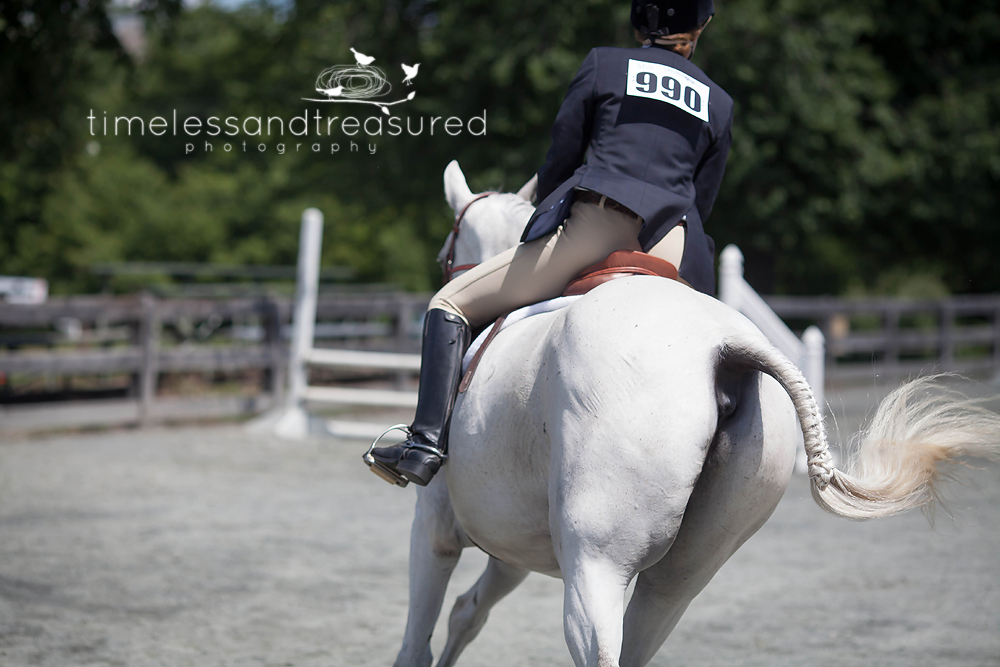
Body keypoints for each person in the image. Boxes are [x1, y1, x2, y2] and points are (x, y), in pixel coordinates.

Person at [367, 0, 733, 487]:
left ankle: (424, 446)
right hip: (673, 242)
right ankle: (725, 413)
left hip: (600, 224)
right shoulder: (718, 101)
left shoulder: (605, 63)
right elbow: (704, 198)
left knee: (449, 303)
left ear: (638, 22)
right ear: (701, 26)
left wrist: (552, 215)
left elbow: (562, 156)